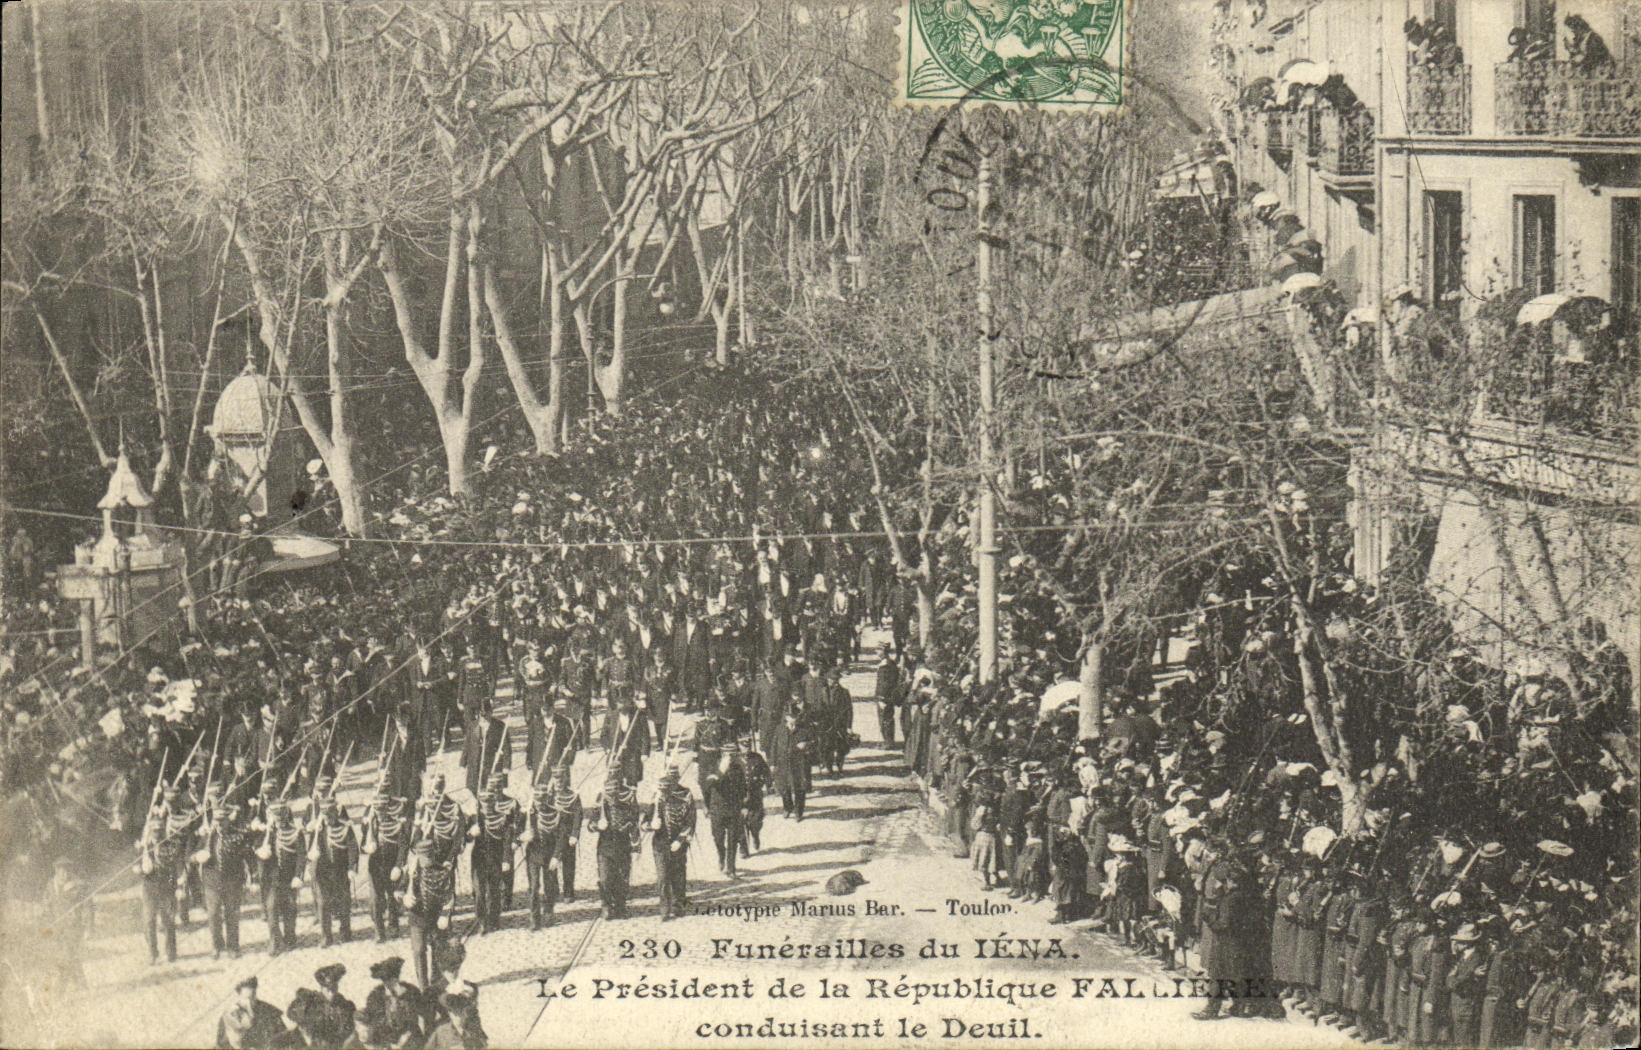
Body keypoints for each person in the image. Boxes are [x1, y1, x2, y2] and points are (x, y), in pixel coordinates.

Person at [196, 799, 251, 959]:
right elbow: (191, 854)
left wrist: (250, 878)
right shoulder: (207, 837)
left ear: (228, 820)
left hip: (232, 881)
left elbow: (247, 855)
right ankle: (216, 945)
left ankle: (233, 947)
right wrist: (197, 856)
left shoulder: (238, 835)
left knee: (232, 914)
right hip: (211, 882)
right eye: (216, 821)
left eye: (222, 821)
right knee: (213, 914)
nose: (219, 825)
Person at [363, 771, 413, 942]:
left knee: (392, 898)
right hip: (375, 866)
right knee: (375, 900)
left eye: (382, 810)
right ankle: (379, 931)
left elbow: (403, 845)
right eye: (377, 810)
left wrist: (399, 866)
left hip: (391, 865)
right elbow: (364, 844)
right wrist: (368, 845)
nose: (380, 813)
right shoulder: (370, 824)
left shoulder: (395, 824)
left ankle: (393, 924)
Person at [402, 837, 455, 991]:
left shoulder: (442, 872)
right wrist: (405, 898)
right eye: (425, 858)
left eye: (430, 857)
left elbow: (449, 896)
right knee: (418, 950)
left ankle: (436, 981)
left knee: (438, 949)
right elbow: (398, 891)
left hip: (436, 918)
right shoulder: (411, 872)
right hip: (417, 918)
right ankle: (423, 986)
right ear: (418, 857)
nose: (428, 861)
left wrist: (445, 915)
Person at [469, 771, 519, 934]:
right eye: (483, 803)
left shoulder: (501, 818)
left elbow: (506, 838)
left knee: (493, 891)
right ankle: (481, 920)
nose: (486, 806)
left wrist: (506, 859)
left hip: (496, 858)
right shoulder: (476, 818)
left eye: (489, 803)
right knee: (479, 891)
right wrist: (471, 833)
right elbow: (464, 837)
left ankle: (493, 919)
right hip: (478, 859)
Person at [309, 795, 359, 947]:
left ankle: (345, 931)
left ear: (336, 813)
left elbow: (353, 848)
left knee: (344, 901)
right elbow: (310, 850)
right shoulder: (317, 830)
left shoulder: (345, 828)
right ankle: (326, 936)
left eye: (330, 814)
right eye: (325, 815)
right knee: (323, 903)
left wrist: (352, 868)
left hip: (341, 870)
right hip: (323, 872)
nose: (327, 818)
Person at [255, 797, 303, 956]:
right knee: (271, 909)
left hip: (289, 878)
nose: (278, 818)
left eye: (280, 814)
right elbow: (254, 850)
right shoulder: (266, 834)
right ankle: (274, 941)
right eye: (275, 815)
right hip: (272, 879)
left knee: (289, 908)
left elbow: (301, 856)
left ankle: (290, 937)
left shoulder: (295, 832)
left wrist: (298, 875)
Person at [591, 769, 642, 919]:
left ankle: (620, 905)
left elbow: (635, 820)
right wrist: (596, 825)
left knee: (622, 877)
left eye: (615, 790)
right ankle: (606, 905)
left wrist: (636, 845)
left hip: (623, 843)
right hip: (605, 846)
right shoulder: (601, 799)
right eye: (609, 791)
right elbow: (591, 823)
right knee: (605, 878)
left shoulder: (628, 797)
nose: (612, 795)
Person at [648, 763, 696, 920]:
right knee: (662, 877)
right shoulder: (657, 800)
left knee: (678, 875)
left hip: (678, 844)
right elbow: (645, 821)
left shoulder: (685, 795)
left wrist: (681, 840)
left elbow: (690, 821)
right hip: (660, 844)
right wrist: (650, 825)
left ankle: (678, 904)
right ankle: (664, 907)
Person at [363, 956, 426, 1050]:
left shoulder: (411, 991)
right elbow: (375, 1022)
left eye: (392, 979)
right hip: (386, 1041)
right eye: (385, 980)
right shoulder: (375, 996)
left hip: (410, 1039)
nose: (388, 984)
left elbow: (421, 1013)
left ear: (397, 978)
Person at [708, 739, 747, 878]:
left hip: (734, 809)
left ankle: (731, 868)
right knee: (718, 837)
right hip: (717, 808)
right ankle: (721, 855)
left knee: (733, 839)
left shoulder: (739, 769)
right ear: (722, 754)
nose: (730, 758)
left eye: (733, 755)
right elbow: (709, 785)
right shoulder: (713, 766)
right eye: (728, 755)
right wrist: (720, 772)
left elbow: (743, 789)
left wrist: (744, 807)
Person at [217, 975, 288, 1049]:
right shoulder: (229, 1017)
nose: (249, 1003)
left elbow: (284, 1037)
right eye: (245, 999)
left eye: (252, 997)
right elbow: (223, 1045)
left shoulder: (268, 1011)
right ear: (239, 996)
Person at [769, 702, 813, 821]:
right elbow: (773, 746)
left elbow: (814, 743)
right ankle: (787, 807)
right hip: (782, 762)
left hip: (799, 763)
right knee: (784, 787)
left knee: (799, 787)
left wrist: (807, 745)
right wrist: (772, 763)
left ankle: (799, 811)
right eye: (789, 716)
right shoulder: (779, 729)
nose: (792, 719)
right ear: (785, 717)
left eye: (794, 716)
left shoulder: (804, 729)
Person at [738, 735, 771, 856]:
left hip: (755, 794)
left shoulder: (757, 758)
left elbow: (766, 772)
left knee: (755, 822)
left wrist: (768, 785)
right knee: (739, 822)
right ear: (739, 746)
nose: (746, 749)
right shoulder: (735, 759)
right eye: (743, 746)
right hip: (739, 795)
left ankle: (755, 835)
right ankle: (743, 848)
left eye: (748, 746)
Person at [873, 645, 901, 745]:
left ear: (883, 651)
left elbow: (885, 683)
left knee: (885, 719)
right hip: (887, 697)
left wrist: (882, 698)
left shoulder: (886, 665)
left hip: (885, 697)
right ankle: (888, 741)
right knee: (886, 718)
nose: (876, 651)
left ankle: (888, 742)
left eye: (878, 649)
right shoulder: (889, 663)